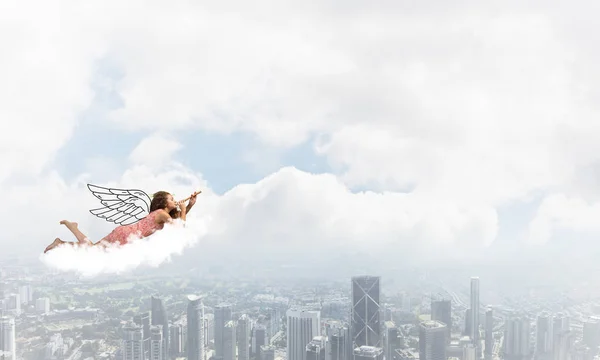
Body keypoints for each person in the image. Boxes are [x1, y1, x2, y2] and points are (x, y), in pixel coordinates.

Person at [43, 190, 198, 253]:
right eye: (172, 199)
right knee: (92, 252)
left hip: (124, 233)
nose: (175, 200)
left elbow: (178, 223)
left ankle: (70, 231)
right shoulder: (161, 214)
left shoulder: (163, 216)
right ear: (164, 204)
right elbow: (180, 228)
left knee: (92, 250)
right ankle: (62, 240)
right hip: (125, 235)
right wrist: (184, 209)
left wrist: (190, 206)